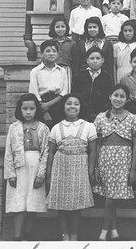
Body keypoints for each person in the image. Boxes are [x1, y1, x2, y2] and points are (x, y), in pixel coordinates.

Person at [92, 84, 136, 241]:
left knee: (111, 199)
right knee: (109, 197)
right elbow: (98, 144)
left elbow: (135, 145)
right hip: (106, 160)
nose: (118, 99)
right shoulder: (101, 117)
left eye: (122, 96)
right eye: (115, 95)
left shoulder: (133, 119)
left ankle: (103, 232)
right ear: (109, 96)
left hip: (123, 161)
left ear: (127, 99)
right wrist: (96, 167)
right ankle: (112, 229)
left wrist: (133, 169)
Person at [45, 94, 98, 241]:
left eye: (76, 104)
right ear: (63, 107)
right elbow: (51, 153)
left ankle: (74, 236)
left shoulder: (88, 126)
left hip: (80, 166)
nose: (72, 106)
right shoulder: (56, 127)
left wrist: (91, 170)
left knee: (76, 205)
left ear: (81, 107)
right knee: (62, 204)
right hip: (60, 166)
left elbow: (93, 151)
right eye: (69, 103)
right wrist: (49, 174)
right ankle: (65, 236)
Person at [4, 93, 50, 241]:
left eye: (32, 108)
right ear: (20, 110)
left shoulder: (43, 128)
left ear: (37, 109)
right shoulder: (14, 127)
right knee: (18, 200)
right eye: (25, 109)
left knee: (32, 201)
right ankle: (17, 235)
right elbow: (8, 151)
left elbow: (46, 152)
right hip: (19, 167)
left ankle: (27, 235)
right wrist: (10, 173)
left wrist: (41, 174)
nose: (28, 112)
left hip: (35, 165)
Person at [29, 40, 68, 129]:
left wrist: (49, 104)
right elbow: (33, 92)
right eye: (48, 51)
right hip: (41, 104)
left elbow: (64, 91)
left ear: (58, 54)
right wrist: (44, 111)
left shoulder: (62, 71)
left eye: (54, 51)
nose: (51, 54)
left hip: (58, 103)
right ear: (42, 53)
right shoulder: (36, 71)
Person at [71, 47, 113, 122]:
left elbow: (109, 97)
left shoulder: (107, 77)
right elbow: (74, 93)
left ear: (102, 60)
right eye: (92, 58)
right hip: (82, 113)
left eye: (98, 58)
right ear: (87, 60)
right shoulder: (80, 76)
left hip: (101, 113)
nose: (95, 61)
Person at [71, 16, 113, 82]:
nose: (92, 29)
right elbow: (76, 63)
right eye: (89, 27)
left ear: (99, 28)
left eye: (95, 27)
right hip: (84, 77)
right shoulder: (80, 44)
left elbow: (110, 64)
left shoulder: (107, 44)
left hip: (102, 77)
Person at [48, 17, 74, 93]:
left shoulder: (72, 43)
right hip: (52, 69)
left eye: (63, 27)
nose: (60, 29)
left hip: (67, 70)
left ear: (66, 28)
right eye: (57, 27)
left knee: (66, 91)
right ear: (53, 28)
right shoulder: (50, 43)